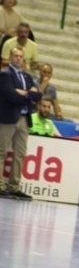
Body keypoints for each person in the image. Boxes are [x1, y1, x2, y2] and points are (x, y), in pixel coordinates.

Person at [0, 48, 41, 199]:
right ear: (10, 57)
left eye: (20, 56)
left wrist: (23, 93)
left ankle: (14, 186)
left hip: (24, 118)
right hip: (8, 117)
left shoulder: (27, 75)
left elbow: (38, 95)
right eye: (15, 56)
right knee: (1, 151)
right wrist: (27, 95)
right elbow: (10, 95)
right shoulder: (5, 74)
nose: (18, 58)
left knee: (20, 154)